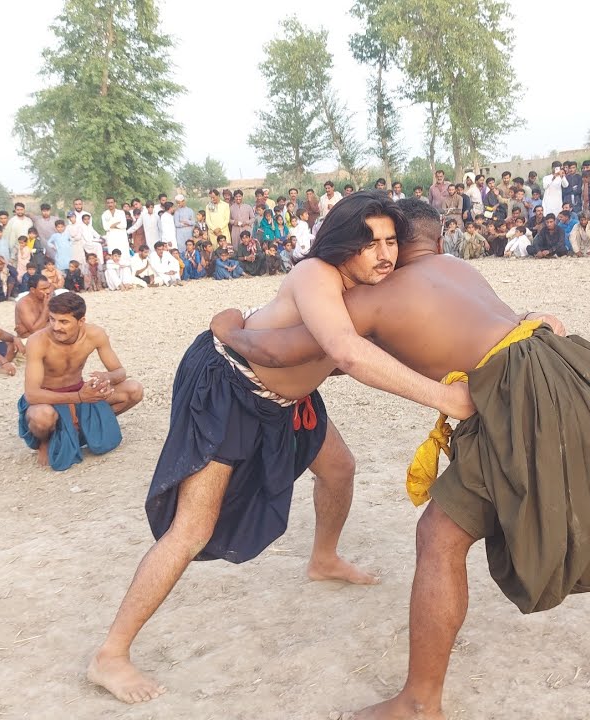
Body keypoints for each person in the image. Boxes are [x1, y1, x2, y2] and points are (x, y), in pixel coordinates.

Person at [211, 198, 590, 719]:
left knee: (441, 538)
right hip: (565, 373)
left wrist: (228, 328)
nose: (382, 256)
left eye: (389, 243)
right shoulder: (458, 267)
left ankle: (420, 703)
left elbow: (286, 352)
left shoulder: (373, 298)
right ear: (439, 239)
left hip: (521, 398)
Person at [86, 193, 474, 705]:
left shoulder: (379, 288)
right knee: (192, 528)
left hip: (287, 399)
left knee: (339, 468)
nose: (383, 254)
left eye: (390, 242)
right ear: (342, 244)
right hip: (229, 385)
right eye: (369, 242)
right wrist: (445, 398)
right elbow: (345, 352)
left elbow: (429, 337)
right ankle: (110, 654)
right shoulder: (318, 274)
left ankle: (324, 558)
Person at [18, 292, 144, 471]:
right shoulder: (37, 341)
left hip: (81, 394)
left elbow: (120, 372)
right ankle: (44, 441)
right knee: (42, 417)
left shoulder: (95, 334)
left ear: (81, 321)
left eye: (64, 322)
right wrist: (79, 396)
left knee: (134, 389)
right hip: (48, 399)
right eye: (52, 319)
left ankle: (84, 430)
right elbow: (32, 394)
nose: (56, 327)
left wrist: (107, 378)